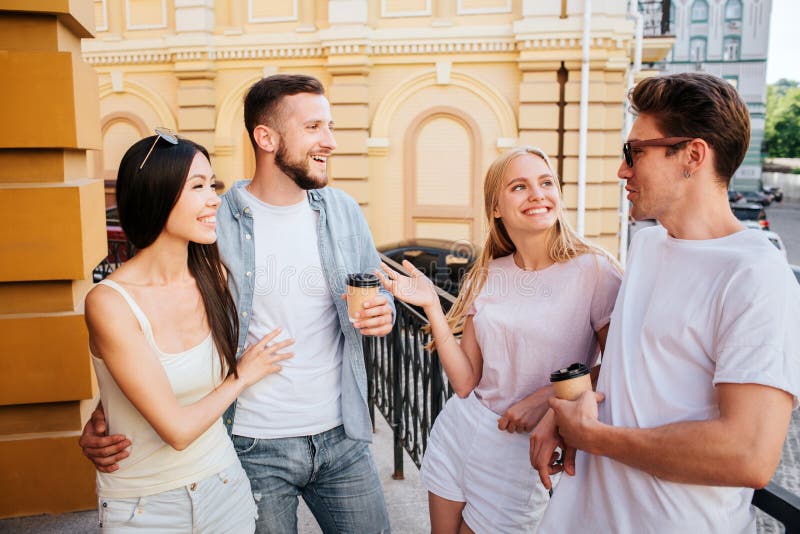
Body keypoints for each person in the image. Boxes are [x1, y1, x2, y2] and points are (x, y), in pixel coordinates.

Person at [80, 74, 395, 533]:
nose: (330, 141)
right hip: (251, 444)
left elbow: (375, 287)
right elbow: (152, 311)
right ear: (265, 138)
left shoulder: (343, 210)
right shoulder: (212, 221)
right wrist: (112, 409)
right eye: (313, 128)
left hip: (343, 436)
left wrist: (382, 309)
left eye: (329, 126)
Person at [534, 72, 800, 533]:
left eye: (635, 152)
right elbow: (634, 369)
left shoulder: (756, 275)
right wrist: (557, 414)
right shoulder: (649, 245)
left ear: (693, 155)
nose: (623, 169)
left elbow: (749, 454)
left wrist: (594, 437)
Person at [377, 146, 622, 533]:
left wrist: (544, 399)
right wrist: (432, 307)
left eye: (546, 183)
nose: (538, 194)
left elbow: (620, 367)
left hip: (520, 451)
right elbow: (465, 381)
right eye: (519, 187)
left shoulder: (595, 271)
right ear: (496, 207)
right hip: (461, 429)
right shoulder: (488, 272)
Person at [85, 131, 294, 532]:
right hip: (144, 508)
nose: (215, 198)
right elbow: (176, 431)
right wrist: (242, 376)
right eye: (198, 186)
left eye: (211, 184)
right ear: (156, 195)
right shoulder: (110, 302)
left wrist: (106, 409)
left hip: (224, 487)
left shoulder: (212, 277)